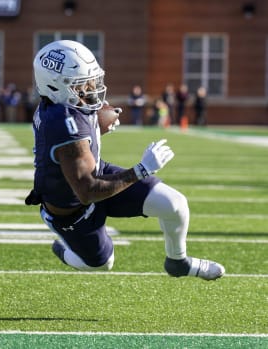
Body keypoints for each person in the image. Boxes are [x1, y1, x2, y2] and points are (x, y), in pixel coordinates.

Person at [26, 40, 224, 281]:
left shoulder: (63, 104)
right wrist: (141, 169)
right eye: (81, 84)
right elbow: (88, 191)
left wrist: (98, 125)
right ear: (57, 87)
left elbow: (81, 125)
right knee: (101, 265)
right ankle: (65, 248)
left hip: (96, 175)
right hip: (73, 210)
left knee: (175, 204)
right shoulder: (63, 125)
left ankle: (178, 261)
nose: (91, 87)